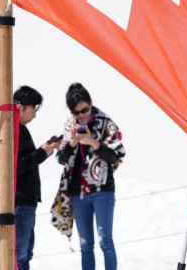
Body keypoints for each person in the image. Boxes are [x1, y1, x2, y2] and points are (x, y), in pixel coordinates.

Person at [52, 82, 125, 270]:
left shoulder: (106, 123)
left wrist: (93, 142)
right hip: (78, 193)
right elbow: (60, 158)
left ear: (90, 103)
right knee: (85, 245)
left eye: (84, 110)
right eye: (75, 112)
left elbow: (117, 155)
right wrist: (72, 144)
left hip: (102, 191)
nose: (80, 115)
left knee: (105, 241)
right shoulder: (70, 126)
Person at [0, 85, 58, 270]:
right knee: (18, 256)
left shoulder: (20, 129)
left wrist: (44, 151)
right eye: (33, 109)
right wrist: (41, 153)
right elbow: (12, 167)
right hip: (17, 202)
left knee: (25, 253)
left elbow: (25, 161)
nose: (34, 115)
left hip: (24, 201)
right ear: (20, 107)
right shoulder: (6, 131)